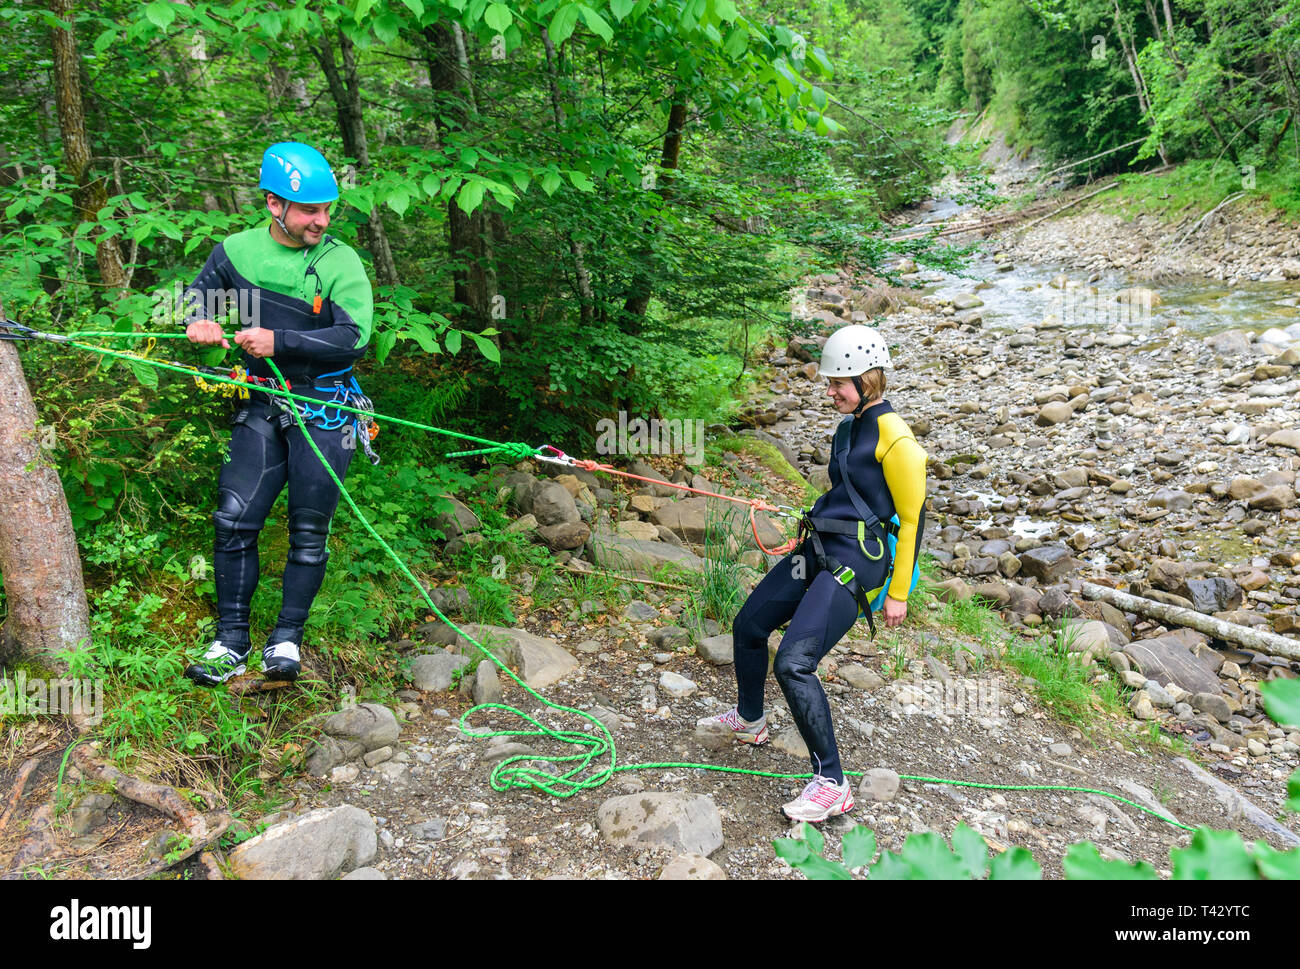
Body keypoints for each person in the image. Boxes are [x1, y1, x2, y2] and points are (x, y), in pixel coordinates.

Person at [697, 324, 927, 822]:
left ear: (868, 379)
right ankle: (750, 719)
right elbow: (845, 493)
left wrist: (899, 593)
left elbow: (911, 521)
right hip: (820, 544)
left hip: (859, 560)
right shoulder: (847, 429)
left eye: (837, 384)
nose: (829, 393)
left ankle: (832, 782)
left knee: (794, 663)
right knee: (750, 624)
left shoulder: (900, 441)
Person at [180, 141, 374, 686]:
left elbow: (353, 337)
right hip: (261, 404)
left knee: (309, 531)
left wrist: (278, 339)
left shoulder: (338, 261)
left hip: (325, 408)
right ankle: (230, 642)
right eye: (310, 209)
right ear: (274, 205)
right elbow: (195, 298)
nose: (322, 219)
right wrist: (199, 321)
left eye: (327, 208)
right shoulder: (236, 251)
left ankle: (286, 639)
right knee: (234, 519)